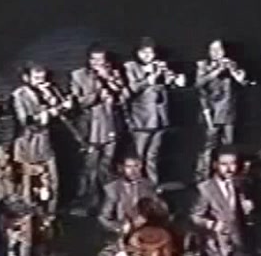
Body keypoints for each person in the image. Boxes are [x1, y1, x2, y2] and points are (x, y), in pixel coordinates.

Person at [70, 44, 130, 212]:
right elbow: (78, 102)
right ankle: (88, 199)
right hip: (91, 129)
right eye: (94, 60)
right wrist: (96, 95)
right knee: (90, 168)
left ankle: (107, 200)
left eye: (101, 60)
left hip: (110, 126)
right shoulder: (78, 75)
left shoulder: (113, 73)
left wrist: (110, 80)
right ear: (89, 60)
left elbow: (125, 96)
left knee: (107, 165)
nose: (98, 63)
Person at [124, 37, 186, 185]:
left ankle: (152, 185)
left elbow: (171, 84)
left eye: (150, 52)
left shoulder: (159, 65)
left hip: (160, 119)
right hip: (142, 119)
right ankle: (136, 186)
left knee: (153, 155)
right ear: (137, 53)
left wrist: (173, 78)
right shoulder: (130, 67)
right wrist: (149, 78)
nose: (147, 55)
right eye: (143, 52)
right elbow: (132, 89)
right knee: (138, 157)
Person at [11, 62, 64, 220]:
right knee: (29, 182)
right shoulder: (19, 95)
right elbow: (24, 120)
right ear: (26, 78)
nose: (41, 81)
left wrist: (58, 105)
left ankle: (50, 214)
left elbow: (59, 110)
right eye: (36, 78)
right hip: (27, 144)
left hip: (45, 143)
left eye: (43, 78)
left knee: (53, 180)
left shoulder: (49, 91)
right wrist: (47, 114)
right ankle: (30, 218)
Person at [194, 39, 249, 180]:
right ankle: (203, 177)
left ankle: (227, 176)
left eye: (219, 49)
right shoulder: (203, 65)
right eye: (212, 49)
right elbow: (199, 83)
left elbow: (242, 82)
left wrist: (233, 71)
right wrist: (217, 70)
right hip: (211, 112)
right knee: (208, 146)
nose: (216, 52)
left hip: (228, 112)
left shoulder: (231, 64)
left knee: (228, 146)